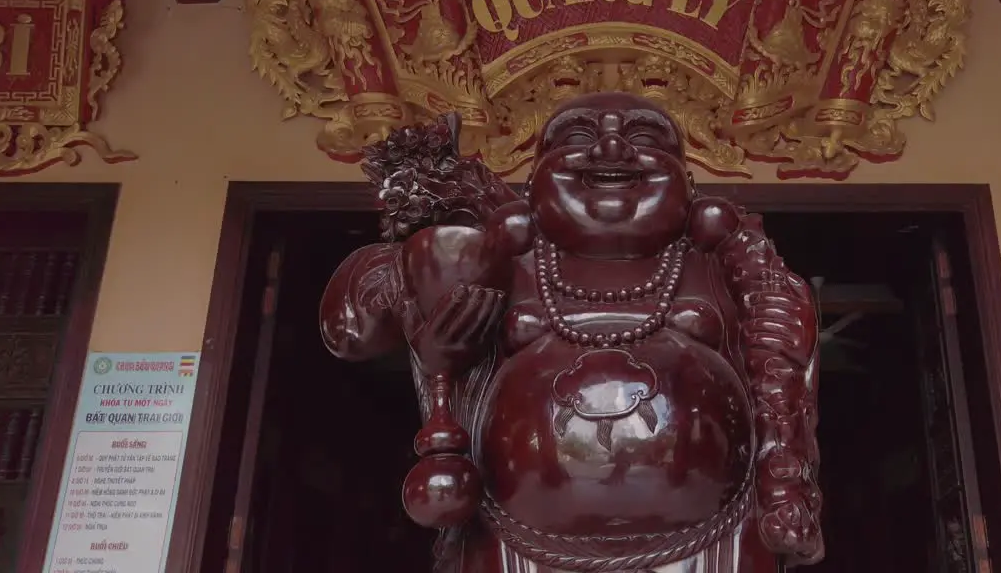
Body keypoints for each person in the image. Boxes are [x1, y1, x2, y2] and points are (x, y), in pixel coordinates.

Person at [321, 91, 823, 572]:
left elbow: (783, 375)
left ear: (688, 184)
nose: (611, 148)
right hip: (519, 543)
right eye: (578, 135)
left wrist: (784, 482)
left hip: (714, 542)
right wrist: (433, 345)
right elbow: (351, 332)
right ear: (533, 181)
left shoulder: (724, 262)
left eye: (645, 138)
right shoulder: (498, 258)